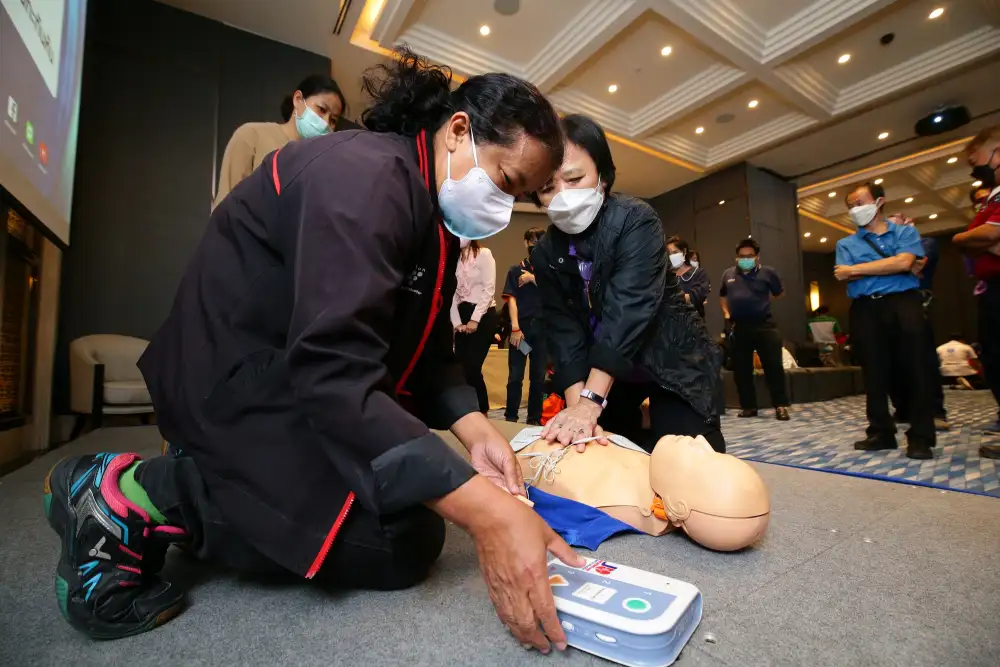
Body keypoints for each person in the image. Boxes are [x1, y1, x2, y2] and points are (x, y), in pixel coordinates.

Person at [42, 48, 585, 654]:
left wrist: (475, 428)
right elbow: (334, 369)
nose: (503, 208)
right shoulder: (365, 179)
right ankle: (136, 491)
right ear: (458, 130)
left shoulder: (428, 210)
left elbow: (429, 348)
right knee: (397, 545)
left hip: (294, 380)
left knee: (410, 518)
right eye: (506, 182)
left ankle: (200, 482)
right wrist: (491, 515)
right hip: (240, 378)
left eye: (520, 197)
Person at [530, 114, 725, 454]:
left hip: (671, 360)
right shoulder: (546, 251)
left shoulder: (636, 220)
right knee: (598, 450)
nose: (563, 195)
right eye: (547, 188)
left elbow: (629, 310)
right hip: (608, 370)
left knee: (687, 457)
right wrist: (579, 412)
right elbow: (563, 332)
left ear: (602, 176)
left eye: (574, 179)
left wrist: (590, 402)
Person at [835, 182, 934, 459]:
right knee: (874, 373)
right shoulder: (845, 243)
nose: (855, 210)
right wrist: (892, 265)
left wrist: (857, 269)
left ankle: (921, 436)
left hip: (903, 304)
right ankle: (881, 432)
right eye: (851, 206)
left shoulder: (905, 232)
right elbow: (842, 274)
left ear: (879, 202)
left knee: (915, 369)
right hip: (865, 308)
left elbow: (905, 263)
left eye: (859, 203)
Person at [214, 74, 346, 209]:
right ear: (298, 99)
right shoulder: (252, 135)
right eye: (322, 109)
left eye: (333, 120)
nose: (326, 122)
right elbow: (225, 207)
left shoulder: (319, 163)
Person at [953, 127, 1000, 451]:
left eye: (977, 159)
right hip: (991, 288)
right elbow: (981, 238)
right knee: (994, 359)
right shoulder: (993, 196)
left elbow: (986, 236)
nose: (975, 167)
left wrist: (963, 238)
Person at [885, 214, 948, 431]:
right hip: (887, 305)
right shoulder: (883, 246)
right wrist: (894, 264)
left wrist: (886, 265)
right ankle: (903, 409)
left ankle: (935, 411)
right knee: (892, 361)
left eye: (894, 223)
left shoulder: (926, 243)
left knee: (923, 360)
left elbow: (914, 266)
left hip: (916, 302)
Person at [719, 238, 791, 421]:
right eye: (742, 256)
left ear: (757, 257)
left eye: (749, 256)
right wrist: (727, 314)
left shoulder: (768, 273)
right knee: (741, 370)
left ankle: (780, 406)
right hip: (739, 326)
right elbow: (723, 295)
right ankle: (749, 407)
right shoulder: (728, 274)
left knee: (773, 366)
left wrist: (761, 302)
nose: (745, 259)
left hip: (764, 325)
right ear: (736, 257)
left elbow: (780, 293)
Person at [502, 227, 548, 424]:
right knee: (516, 376)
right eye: (532, 242)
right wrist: (515, 327)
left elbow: (554, 294)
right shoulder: (515, 269)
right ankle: (511, 416)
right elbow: (511, 300)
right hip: (521, 331)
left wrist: (533, 279)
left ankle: (534, 418)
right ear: (526, 243)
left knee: (538, 377)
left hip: (543, 330)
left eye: (539, 242)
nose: (535, 246)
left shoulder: (548, 272)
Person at [452, 240, 499, 413]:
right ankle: (467, 411)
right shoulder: (453, 258)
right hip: (462, 312)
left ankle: (482, 410)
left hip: (483, 315)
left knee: (472, 367)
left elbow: (489, 289)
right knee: (460, 368)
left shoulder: (484, 254)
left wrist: (475, 319)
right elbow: (451, 293)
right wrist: (456, 322)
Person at [667, 235, 711, 319]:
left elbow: (698, 295)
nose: (671, 257)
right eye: (669, 254)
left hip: (694, 321)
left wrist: (674, 299)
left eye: (675, 252)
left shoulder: (699, 273)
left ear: (684, 251)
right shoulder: (667, 277)